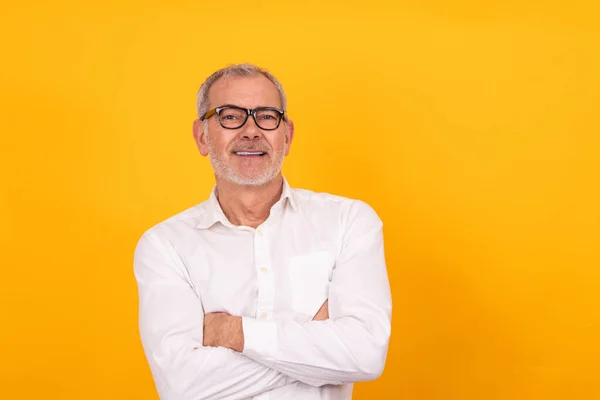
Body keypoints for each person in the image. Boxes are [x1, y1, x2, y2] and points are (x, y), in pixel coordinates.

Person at [133, 63, 392, 400]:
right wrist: (315, 346)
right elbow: (183, 386)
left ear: (287, 135)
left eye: (267, 116)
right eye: (230, 116)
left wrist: (235, 332)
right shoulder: (165, 246)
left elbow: (366, 354)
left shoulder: (349, 222)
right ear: (202, 136)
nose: (251, 131)